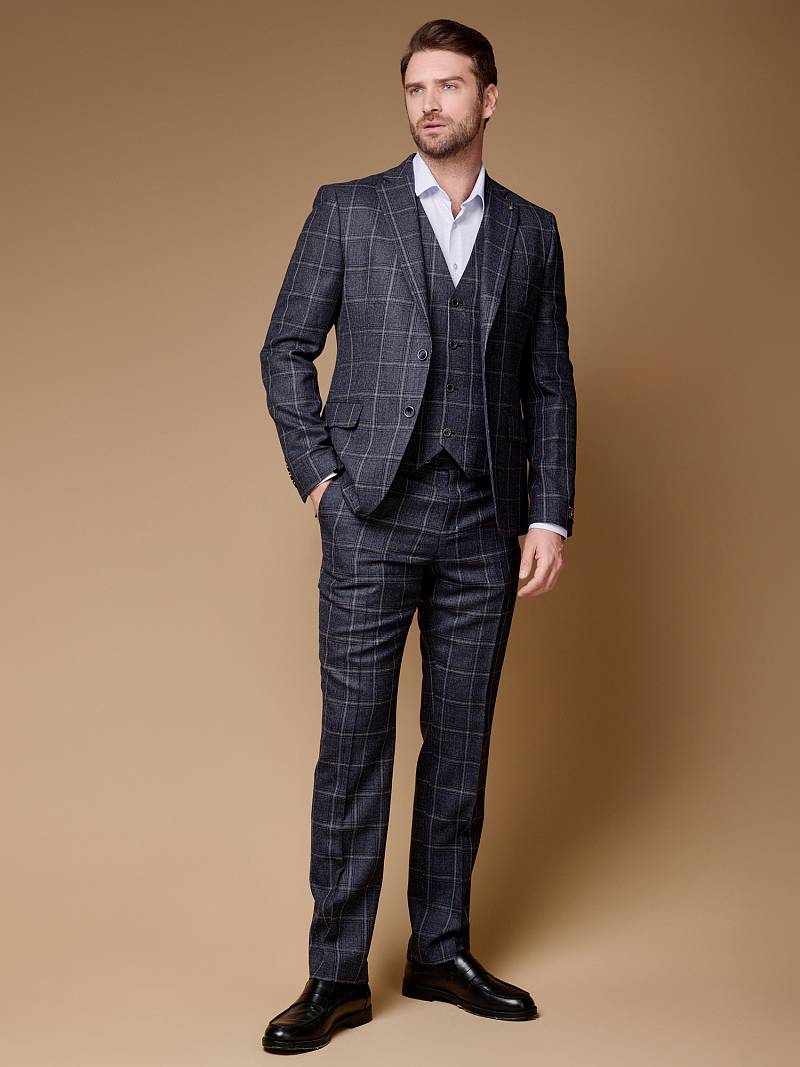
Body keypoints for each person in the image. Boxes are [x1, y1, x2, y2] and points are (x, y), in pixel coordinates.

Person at [258, 17, 576, 1054]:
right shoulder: (347, 210)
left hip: (485, 523)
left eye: (449, 85)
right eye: (415, 87)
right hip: (371, 516)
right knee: (353, 745)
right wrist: (322, 482)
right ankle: (335, 972)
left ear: (489, 98)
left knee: (460, 744)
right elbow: (284, 348)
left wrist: (547, 511)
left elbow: (548, 382)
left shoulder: (531, 230)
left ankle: (439, 949)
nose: (430, 103)